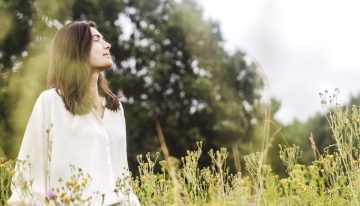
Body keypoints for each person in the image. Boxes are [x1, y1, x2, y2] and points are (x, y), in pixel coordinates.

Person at [8, 20, 140, 206]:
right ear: (75, 49)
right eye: (96, 39)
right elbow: (27, 177)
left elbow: (122, 176)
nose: (107, 44)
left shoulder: (115, 108)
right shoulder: (51, 102)